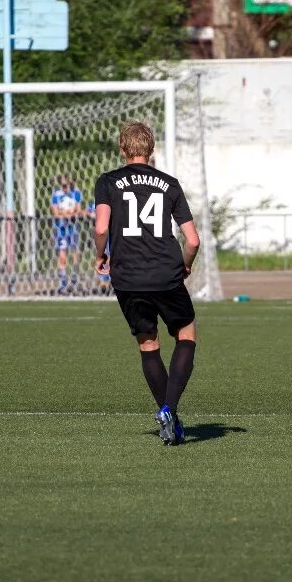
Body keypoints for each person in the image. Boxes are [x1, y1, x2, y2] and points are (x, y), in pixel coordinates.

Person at [94, 122, 200, 446]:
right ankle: (169, 409)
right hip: (165, 273)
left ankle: (170, 416)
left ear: (122, 149)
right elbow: (193, 240)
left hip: (127, 277)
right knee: (186, 333)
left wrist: (101, 256)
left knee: (148, 345)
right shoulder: (169, 184)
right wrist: (185, 265)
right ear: (151, 150)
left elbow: (101, 228)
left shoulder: (108, 181)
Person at [50, 174, 85, 294]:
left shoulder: (76, 193)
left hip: (73, 227)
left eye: (67, 185)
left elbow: (78, 209)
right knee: (62, 254)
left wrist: (70, 212)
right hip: (62, 228)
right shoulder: (57, 194)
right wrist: (67, 213)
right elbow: (55, 211)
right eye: (64, 186)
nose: (66, 188)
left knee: (75, 253)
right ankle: (63, 283)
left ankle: (75, 280)